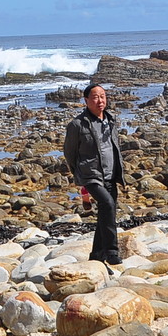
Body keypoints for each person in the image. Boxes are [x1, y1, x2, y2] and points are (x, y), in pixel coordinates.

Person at [63, 82, 125, 265]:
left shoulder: (111, 120)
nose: (100, 100)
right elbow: (69, 152)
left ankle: (97, 256)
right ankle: (112, 252)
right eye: (96, 97)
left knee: (107, 213)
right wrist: (80, 174)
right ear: (86, 100)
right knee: (107, 204)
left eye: (103, 96)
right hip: (91, 175)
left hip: (111, 174)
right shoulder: (77, 125)